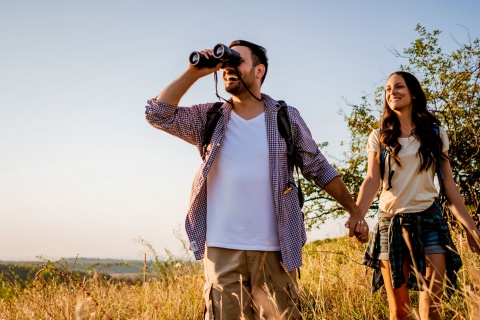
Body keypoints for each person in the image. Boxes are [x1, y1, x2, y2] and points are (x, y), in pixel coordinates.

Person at [145, 39, 368, 319]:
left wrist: (354, 210)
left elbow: (318, 167)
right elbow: (156, 114)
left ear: (259, 70)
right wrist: (193, 72)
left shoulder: (284, 117)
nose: (228, 67)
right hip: (221, 249)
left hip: (275, 249)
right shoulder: (209, 117)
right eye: (225, 62)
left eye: (236, 60)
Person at [357, 71, 480, 320]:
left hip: (430, 222)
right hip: (390, 224)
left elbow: (449, 186)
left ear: (413, 93)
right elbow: (371, 180)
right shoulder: (379, 137)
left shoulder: (435, 133)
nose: (392, 92)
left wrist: (471, 228)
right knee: (399, 311)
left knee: (432, 305)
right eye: (388, 90)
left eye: (399, 87)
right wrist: (357, 215)